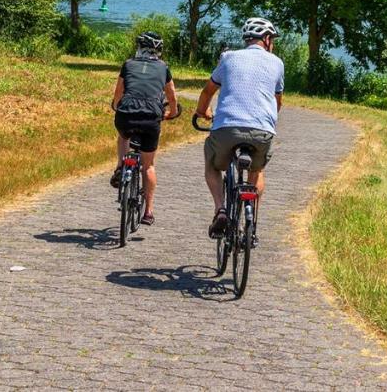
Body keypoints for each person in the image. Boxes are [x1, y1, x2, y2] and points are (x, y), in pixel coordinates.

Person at [193, 17, 283, 242]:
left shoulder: (228, 57)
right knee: (257, 170)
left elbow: (207, 92)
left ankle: (220, 209)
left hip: (227, 128)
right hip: (262, 130)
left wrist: (202, 112)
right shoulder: (277, 63)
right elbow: (277, 101)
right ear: (267, 39)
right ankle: (251, 223)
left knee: (212, 165)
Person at [109, 31, 179, 224]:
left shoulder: (128, 64)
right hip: (151, 118)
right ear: (159, 51)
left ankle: (121, 166)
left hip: (126, 114)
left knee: (124, 136)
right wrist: (172, 113)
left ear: (138, 47)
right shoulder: (163, 67)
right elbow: (172, 96)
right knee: (148, 165)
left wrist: (116, 106)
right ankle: (148, 211)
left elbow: (118, 92)